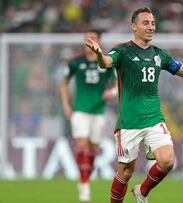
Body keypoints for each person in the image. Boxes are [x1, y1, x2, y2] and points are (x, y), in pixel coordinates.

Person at [85, 7, 183, 203]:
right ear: (134, 27)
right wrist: (100, 55)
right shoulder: (123, 50)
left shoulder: (159, 55)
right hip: (129, 121)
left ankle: (142, 192)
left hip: (154, 118)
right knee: (125, 172)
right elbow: (106, 63)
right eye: (146, 23)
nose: (151, 27)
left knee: (168, 161)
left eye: (153, 23)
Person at [60, 29, 117, 202]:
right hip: (80, 111)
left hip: (99, 112)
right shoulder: (75, 62)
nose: (89, 42)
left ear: (99, 41)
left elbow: (117, 84)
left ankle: (85, 177)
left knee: (93, 150)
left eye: (93, 38)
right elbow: (64, 84)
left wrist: (112, 92)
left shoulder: (106, 62)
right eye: (87, 38)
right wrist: (66, 105)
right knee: (82, 145)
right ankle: (84, 185)